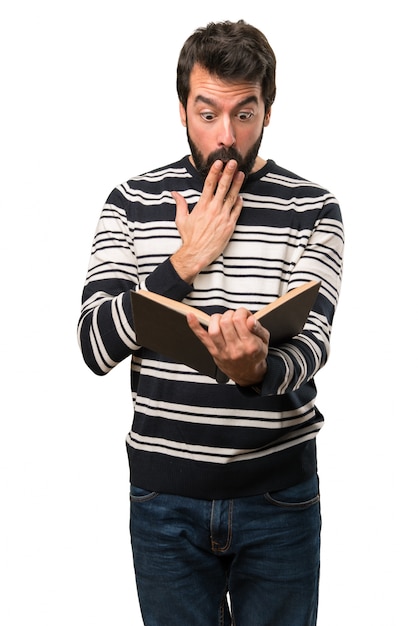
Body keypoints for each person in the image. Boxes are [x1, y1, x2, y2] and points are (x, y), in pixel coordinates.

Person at [78, 19, 344, 626]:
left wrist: (259, 368)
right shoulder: (130, 202)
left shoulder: (314, 209)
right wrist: (183, 262)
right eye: (208, 113)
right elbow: (94, 345)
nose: (226, 136)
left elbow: (312, 346)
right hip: (163, 500)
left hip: (279, 499)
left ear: (268, 112)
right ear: (181, 110)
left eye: (244, 114)